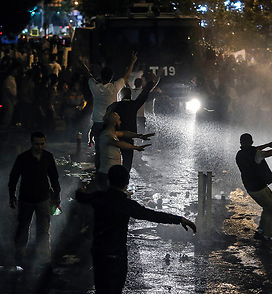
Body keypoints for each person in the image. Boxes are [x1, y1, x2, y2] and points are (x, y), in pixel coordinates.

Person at [75, 165, 196, 294]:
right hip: (117, 254)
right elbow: (152, 215)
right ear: (127, 183)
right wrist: (179, 219)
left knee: (101, 289)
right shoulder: (127, 205)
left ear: (108, 181)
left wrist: (79, 192)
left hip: (99, 253)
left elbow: (82, 198)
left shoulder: (98, 197)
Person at [8, 131, 61, 268]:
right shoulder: (23, 158)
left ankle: (43, 256)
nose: (40, 147)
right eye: (37, 144)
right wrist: (12, 195)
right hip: (26, 198)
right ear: (31, 143)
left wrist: (57, 195)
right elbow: (13, 178)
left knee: (42, 229)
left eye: (42, 144)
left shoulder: (47, 157)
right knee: (23, 227)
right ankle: (20, 254)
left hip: (42, 197)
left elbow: (54, 178)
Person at [235, 131, 272, 246]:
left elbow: (252, 149)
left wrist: (267, 144)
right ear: (251, 142)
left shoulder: (239, 154)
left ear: (241, 143)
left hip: (250, 187)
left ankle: (261, 230)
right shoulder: (257, 155)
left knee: (267, 206)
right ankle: (266, 235)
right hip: (259, 187)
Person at [83, 52, 137, 171]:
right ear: (111, 77)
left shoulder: (95, 87)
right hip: (110, 124)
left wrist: (82, 64)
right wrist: (132, 62)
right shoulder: (114, 88)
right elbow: (126, 76)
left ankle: (99, 170)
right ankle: (113, 169)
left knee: (99, 149)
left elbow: (88, 75)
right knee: (113, 146)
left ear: (101, 77)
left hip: (97, 123)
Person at [106, 72, 159, 171]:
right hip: (129, 137)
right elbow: (143, 95)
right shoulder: (132, 106)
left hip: (114, 136)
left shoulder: (113, 106)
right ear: (130, 96)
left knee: (112, 161)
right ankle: (124, 178)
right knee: (127, 162)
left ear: (120, 96)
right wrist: (151, 82)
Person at [97, 112, 153, 189]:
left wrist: (140, 136)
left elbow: (124, 133)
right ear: (114, 122)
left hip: (111, 173)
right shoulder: (106, 135)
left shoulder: (111, 133)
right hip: (106, 173)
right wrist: (135, 147)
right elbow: (119, 144)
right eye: (119, 120)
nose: (120, 122)